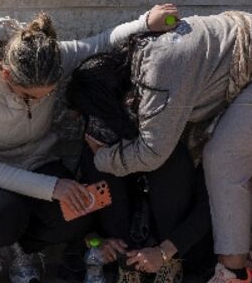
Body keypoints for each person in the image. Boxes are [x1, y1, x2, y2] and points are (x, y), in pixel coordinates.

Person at [0, 5, 179, 283]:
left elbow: (100, 42)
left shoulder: (50, 57)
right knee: (2, 212)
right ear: (6, 76)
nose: (39, 101)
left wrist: (145, 22)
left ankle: (22, 252)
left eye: (47, 95)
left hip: (34, 165)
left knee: (82, 209)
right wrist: (53, 187)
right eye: (30, 97)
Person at [84, 11, 252, 283]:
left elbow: (152, 153)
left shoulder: (157, 71)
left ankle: (233, 272)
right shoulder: (143, 59)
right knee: (229, 164)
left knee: (222, 159)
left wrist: (101, 158)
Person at [66, 49, 215, 283]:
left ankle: (168, 266)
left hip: (178, 249)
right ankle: (130, 266)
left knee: (167, 159)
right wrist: (96, 240)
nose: (92, 123)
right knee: (99, 162)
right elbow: (84, 205)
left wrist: (166, 251)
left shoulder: (166, 125)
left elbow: (210, 205)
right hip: (127, 250)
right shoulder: (97, 140)